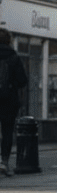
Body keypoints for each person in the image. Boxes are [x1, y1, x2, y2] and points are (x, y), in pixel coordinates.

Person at [0, 28, 29, 176]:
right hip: (8, 100)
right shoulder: (14, 57)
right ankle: (4, 162)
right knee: (7, 131)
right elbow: (23, 81)